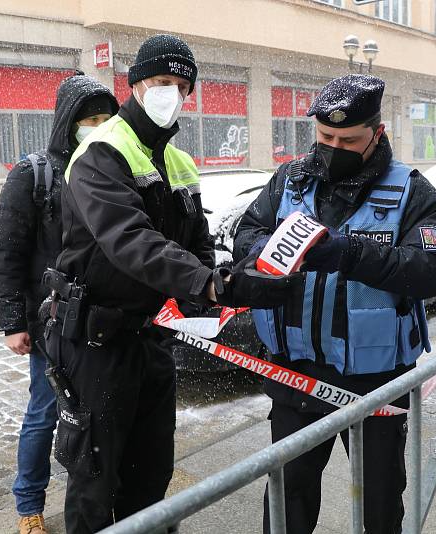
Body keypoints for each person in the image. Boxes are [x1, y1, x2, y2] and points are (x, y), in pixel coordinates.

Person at [47, 34, 295, 533]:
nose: (172, 93)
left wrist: (231, 276)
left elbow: (195, 240)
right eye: (162, 81)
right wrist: (208, 283)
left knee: (151, 475)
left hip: (152, 337)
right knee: (95, 480)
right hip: (96, 341)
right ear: (136, 84)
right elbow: (130, 241)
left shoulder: (178, 161)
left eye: (182, 86)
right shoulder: (100, 152)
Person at [233, 74, 436, 534]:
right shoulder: (289, 179)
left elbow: (431, 272)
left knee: (378, 505)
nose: (333, 146)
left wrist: (347, 253)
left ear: (377, 133)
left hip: (375, 384)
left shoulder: (413, 191)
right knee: (287, 501)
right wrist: (267, 256)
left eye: (348, 139)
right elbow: (246, 231)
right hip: (295, 372)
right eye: (325, 135)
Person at [0, 74, 119, 534]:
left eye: (107, 118)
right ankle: (29, 506)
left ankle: (92, 496)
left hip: (99, 324)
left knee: (95, 415)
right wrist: (12, 322)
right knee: (46, 414)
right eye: (90, 118)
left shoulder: (111, 169)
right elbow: (7, 250)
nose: (99, 126)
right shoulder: (34, 174)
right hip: (49, 327)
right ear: (69, 121)